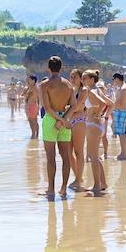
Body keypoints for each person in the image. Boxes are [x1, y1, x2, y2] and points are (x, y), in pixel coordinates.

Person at [39, 57, 74, 199]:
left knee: (50, 157)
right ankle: (64, 189)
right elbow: (74, 105)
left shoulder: (44, 85)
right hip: (65, 119)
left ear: (49, 68)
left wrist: (58, 120)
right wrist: (64, 120)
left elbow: (47, 108)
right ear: (61, 68)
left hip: (51, 120)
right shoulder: (68, 85)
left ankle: (51, 189)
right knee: (65, 156)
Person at [111, 72, 126, 160]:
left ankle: (124, 154)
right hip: (121, 111)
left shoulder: (123, 89)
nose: (113, 81)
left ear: (117, 79)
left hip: (121, 112)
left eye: (114, 79)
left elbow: (121, 103)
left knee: (122, 134)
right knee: (122, 134)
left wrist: (111, 107)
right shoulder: (122, 88)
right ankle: (123, 153)